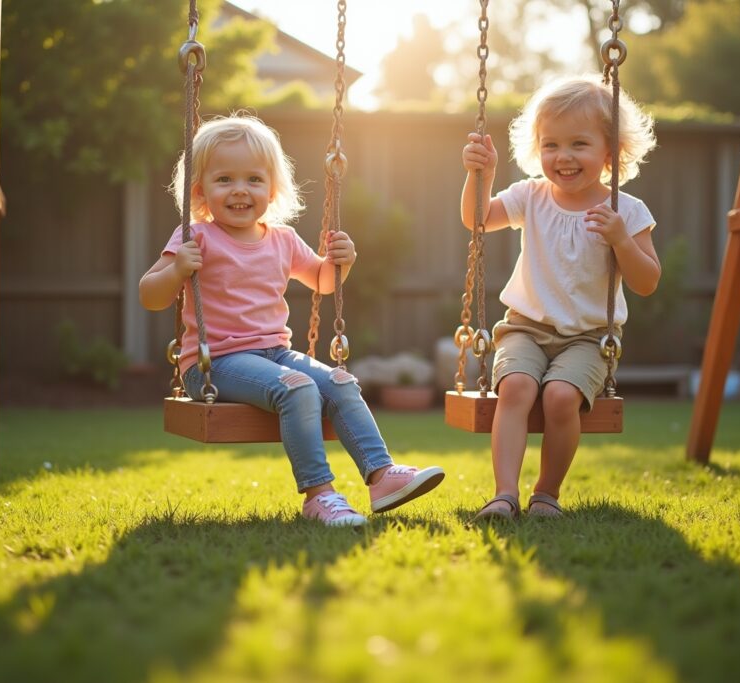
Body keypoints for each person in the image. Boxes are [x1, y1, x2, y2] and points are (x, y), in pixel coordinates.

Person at [139, 115, 444, 527]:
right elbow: (150, 295)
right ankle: (319, 496)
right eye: (224, 179)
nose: (240, 190)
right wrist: (176, 272)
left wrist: (342, 264)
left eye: (253, 179)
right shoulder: (197, 237)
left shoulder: (282, 239)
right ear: (200, 191)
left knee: (341, 381)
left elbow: (321, 281)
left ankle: (381, 475)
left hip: (274, 353)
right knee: (298, 389)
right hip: (214, 364)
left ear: (272, 188)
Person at [461, 75, 661, 520]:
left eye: (578, 144)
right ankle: (504, 495)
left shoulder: (626, 211)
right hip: (525, 329)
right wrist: (483, 175)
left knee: (559, 397)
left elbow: (647, 281)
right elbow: (477, 219)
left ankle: (546, 494)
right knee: (515, 388)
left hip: (589, 338)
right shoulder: (530, 197)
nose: (563, 157)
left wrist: (621, 241)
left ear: (611, 151)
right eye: (550, 145)